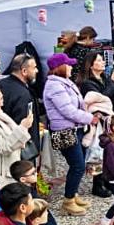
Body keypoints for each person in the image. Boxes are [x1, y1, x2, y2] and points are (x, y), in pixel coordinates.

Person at [43, 53, 96, 216]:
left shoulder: (64, 82)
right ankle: (68, 201)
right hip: (64, 131)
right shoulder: (54, 85)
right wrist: (89, 118)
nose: (71, 67)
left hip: (75, 129)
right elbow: (67, 110)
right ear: (60, 67)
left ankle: (73, 194)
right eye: (68, 65)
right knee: (78, 165)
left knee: (78, 164)